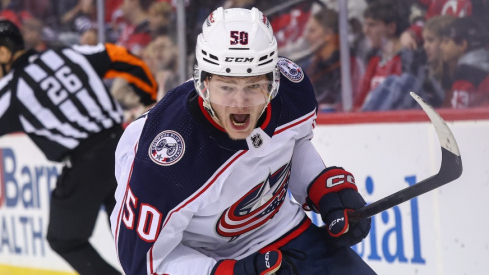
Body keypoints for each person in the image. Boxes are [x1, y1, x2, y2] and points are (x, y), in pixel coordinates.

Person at [111, 7, 375, 275]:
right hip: (208, 260)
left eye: (253, 85)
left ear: (273, 81)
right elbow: (144, 264)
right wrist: (225, 272)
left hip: (283, 231)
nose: (240, 104)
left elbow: (291, 145)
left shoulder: (293, 93)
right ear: (203, 84)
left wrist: (319, 186)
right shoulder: (163, 161)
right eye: (226, 87)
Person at [0, 19, 157, 274]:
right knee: (129, 238)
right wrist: (149, 97)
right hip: (125, 149)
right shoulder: (67, 54)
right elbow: (122, 56)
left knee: (65, 239)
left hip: (87, 165)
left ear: (3, 52)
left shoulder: (11, 89)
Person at [302, 8, 364, 112]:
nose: (307, 36)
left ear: (328, 35)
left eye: (312, 31)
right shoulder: (313, 64)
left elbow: (344, 103)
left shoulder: (349, 64)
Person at [439, 16, 489, 108]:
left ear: (462, 44)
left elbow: (457, 114)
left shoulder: (465, 72)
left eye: (446, 42)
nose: (441, 46)